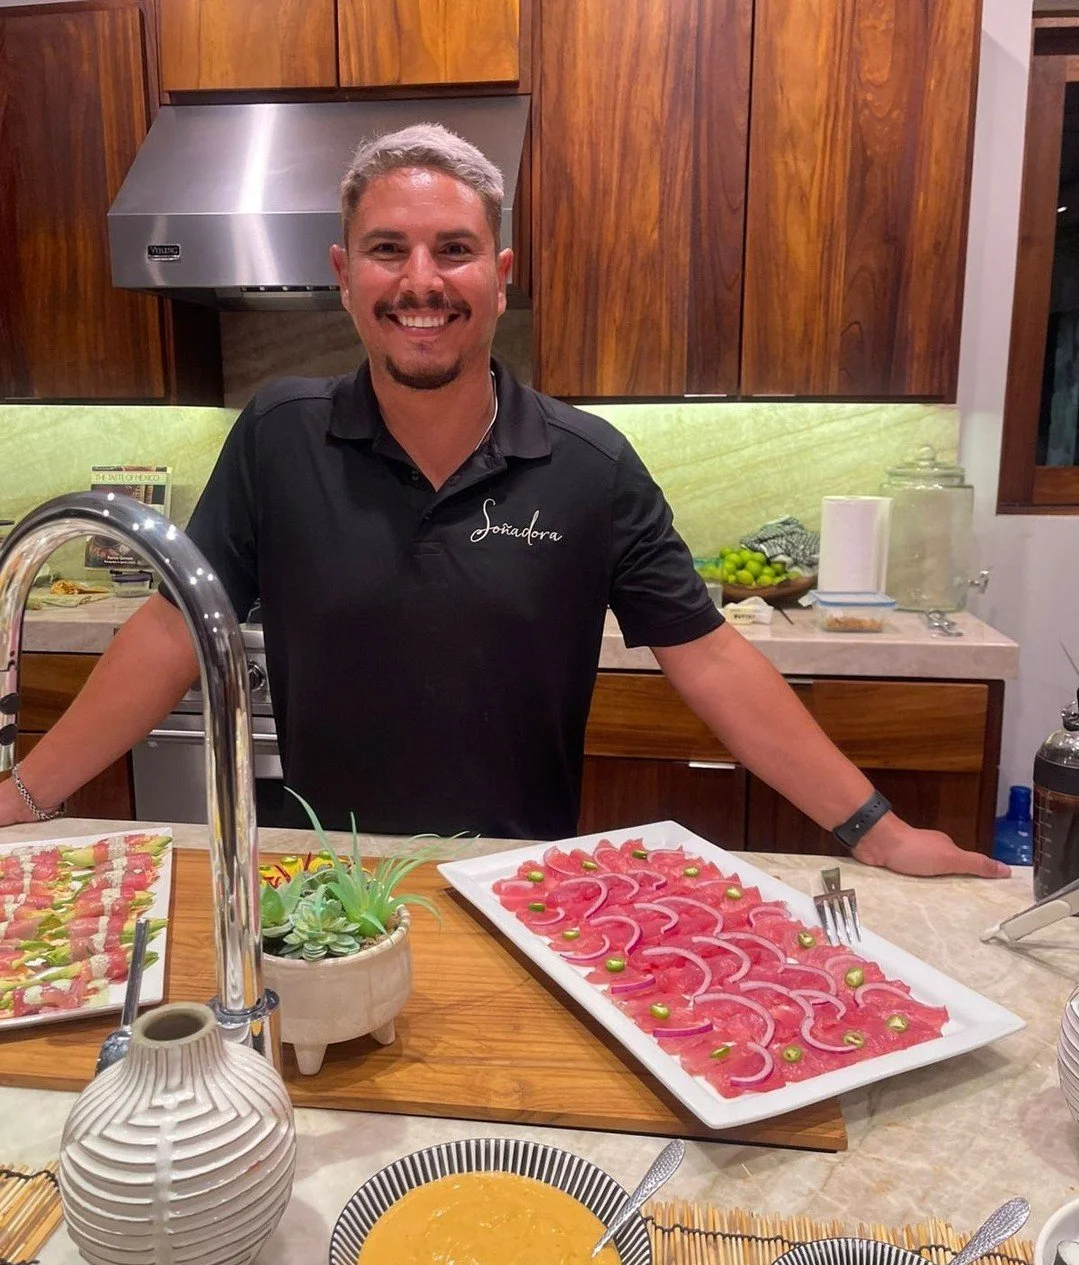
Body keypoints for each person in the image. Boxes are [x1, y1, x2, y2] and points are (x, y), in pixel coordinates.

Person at [0, 124, 1007, 879]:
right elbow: (172, 630)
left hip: (519, 883)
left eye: (454, 249)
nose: (421, 281)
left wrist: (879, 830)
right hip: (319, 883)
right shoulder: (277, 435)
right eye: (388, 250)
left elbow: (709, 659)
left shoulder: (588, 465)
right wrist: (26, 796)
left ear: (500, 274)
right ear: (345, 277)